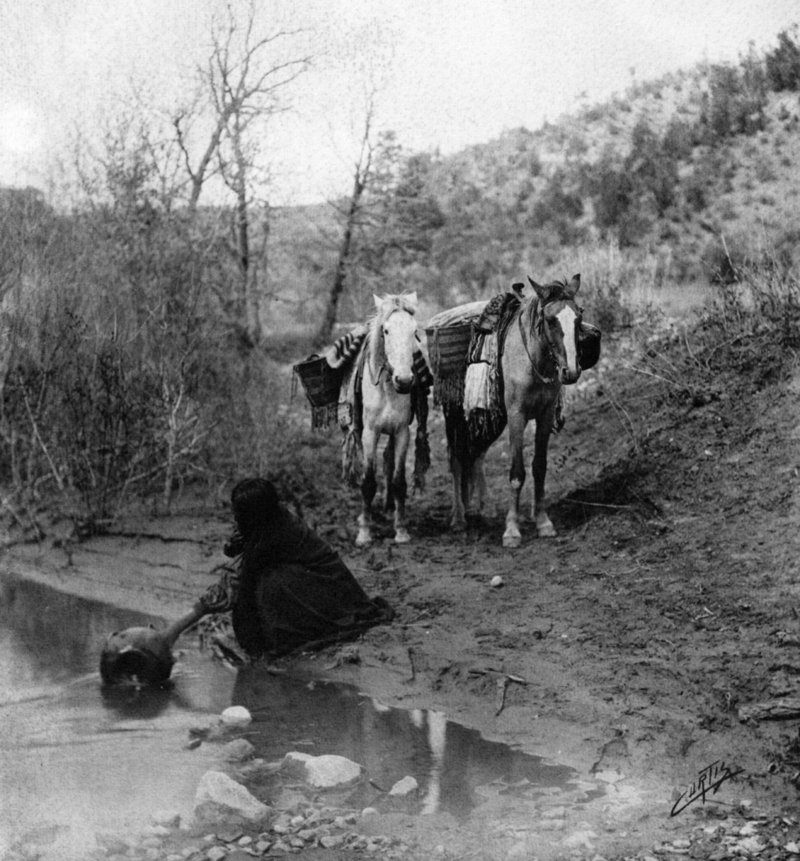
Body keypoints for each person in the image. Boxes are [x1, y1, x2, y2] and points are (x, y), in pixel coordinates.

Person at [198, 477, 394, 658]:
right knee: (266, 581)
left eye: (238, 513)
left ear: (254, 514)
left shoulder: (276, 532)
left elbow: (245, 577)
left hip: (327, 583)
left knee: (270, 584)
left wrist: (214, 605)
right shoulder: (268, 520)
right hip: (313, 578)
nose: (235, 517)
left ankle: (287, 632)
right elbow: (236, 550)